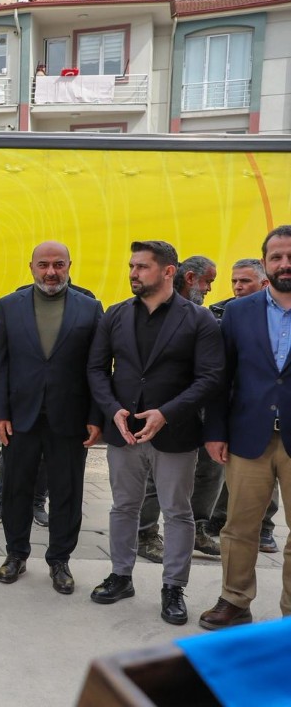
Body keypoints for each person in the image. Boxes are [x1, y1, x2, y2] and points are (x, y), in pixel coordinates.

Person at [86, 240, 224, 625]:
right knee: (123, 507)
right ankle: (120, 576)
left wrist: (166, 413)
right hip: (124, 432)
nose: (133, 273)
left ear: (168, 271)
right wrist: (112, 410)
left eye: (142, 266)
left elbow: (210, 377)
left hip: (175, 434)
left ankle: (173, 587)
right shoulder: (115, 314)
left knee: (177, 512)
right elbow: (96, 369)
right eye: (132, 266)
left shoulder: (199, 320)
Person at [0, 242, 103, 594]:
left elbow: (97, 367)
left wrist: (95, 416)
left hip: (69, 418)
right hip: (20, 417)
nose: (51, 272)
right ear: (31, 267)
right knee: (16, 489)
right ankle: (16, 554)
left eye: (58, 264)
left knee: (67, 492)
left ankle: (60, 560)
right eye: (43, 265)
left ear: (69, 265)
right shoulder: (9, 305)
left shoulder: (90, 308)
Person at [199, 225, 291, 629]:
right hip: (249, 435)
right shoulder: (238, 312)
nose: (284, 264)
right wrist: (215, 431)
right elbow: (222, 376)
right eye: (277, 257)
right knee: (239, 526)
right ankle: (235, 600)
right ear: (266, 262)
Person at [136, 256, 222, 561]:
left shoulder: (205, 316)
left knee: (211, 468)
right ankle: (145, 533)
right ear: (189, 278)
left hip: (201, 405)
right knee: (156, 473)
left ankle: (198, 528)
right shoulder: (156, 310)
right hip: (163, 407)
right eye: (207, 281)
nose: (209, 289)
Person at [208, 258, 281, 552]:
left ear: (264, 283)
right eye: (234, 281)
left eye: (245, 281)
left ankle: (265, 527)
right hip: (237, 414)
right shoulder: (223, 312)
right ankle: (219, 516)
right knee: (231, 480)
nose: (237, 287)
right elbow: (220, 373)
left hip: (274, 419)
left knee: (268, 479)